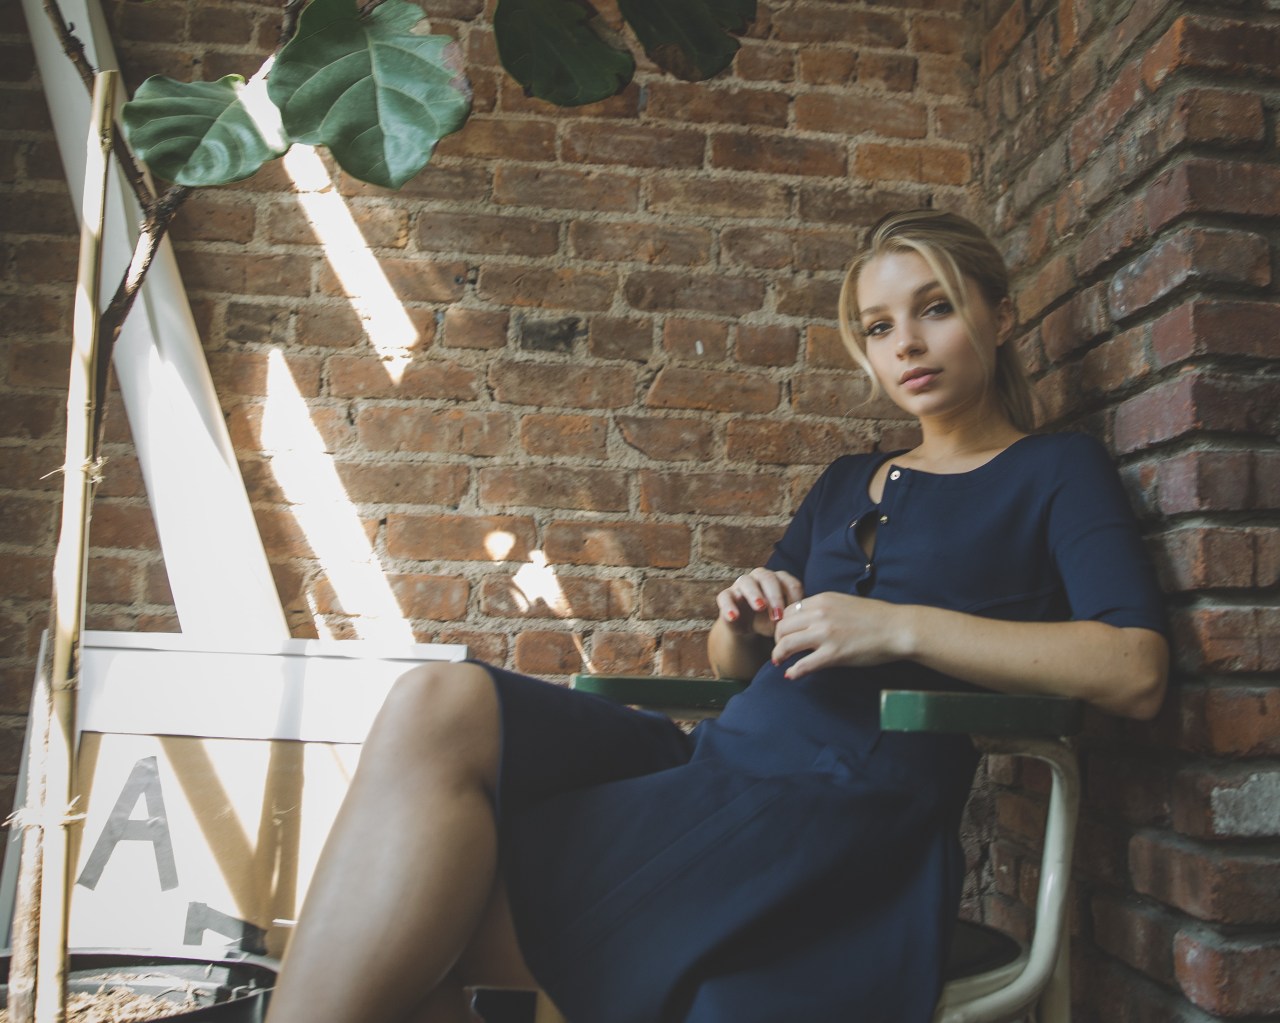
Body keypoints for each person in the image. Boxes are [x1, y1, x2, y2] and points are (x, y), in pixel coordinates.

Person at [264, 210, 1168, 1023]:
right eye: (879, 327)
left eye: (934, 309)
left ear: (1000, 316)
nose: (907, 345)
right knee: (439, 700)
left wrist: (899, 627)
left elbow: (1132, 668)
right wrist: (745, 614)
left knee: (427, 938)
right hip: (725, 761)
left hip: (842, 806)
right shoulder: (847, 479)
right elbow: (737, 664)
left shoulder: (1054, 472)